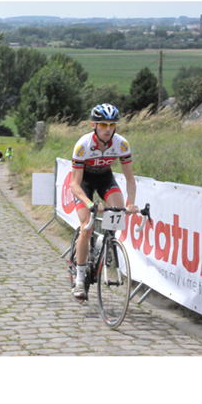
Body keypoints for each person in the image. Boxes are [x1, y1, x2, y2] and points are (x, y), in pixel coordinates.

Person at [70, 103, 139, 300]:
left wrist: (131, 203)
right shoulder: (83, 145)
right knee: (87, 226)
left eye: (112, 125)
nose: (108, 129)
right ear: (94, 125)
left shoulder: (121, 144)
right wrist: (89, 204)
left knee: (117, 210)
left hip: (105, 179)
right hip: (84, 183)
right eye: (103, 125)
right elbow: (74, 184)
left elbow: (130, 179)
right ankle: (80, 279)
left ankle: (108, 242)